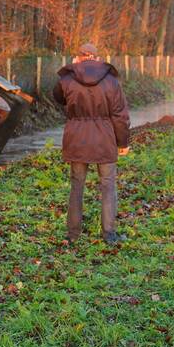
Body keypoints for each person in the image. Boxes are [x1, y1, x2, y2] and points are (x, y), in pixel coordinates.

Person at [52, 43, 130, 244]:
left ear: (78, 57)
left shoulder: (68, 79)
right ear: (96, 58)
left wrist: (71, 68)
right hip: (104, 139)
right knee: (108, 186)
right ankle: (109, 234)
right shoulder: (111, 80)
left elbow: (58, 97)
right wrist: (123, 142)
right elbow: (120, 115)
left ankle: (73, 234)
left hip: (77, 139)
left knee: (77, 186)